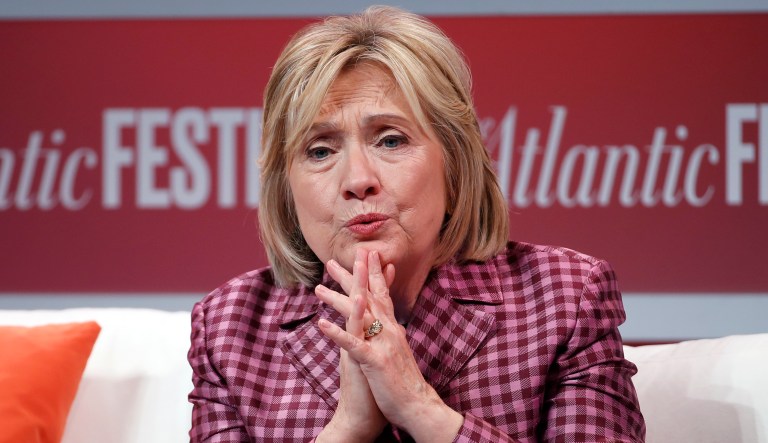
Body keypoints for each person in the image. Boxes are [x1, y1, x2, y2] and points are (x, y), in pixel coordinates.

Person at [188, 5, 645, 442]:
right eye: (320, 150)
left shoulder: (564, 300)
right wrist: (347, 429)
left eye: (390, 140)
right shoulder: (230, 329)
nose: (358, 180)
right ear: (285, 188)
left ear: (455, 162)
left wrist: (418, 405)